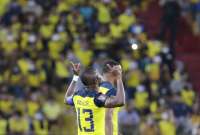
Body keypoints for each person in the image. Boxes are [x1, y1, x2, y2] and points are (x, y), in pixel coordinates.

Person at [64, 62, 125, 135]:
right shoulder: (97, 98)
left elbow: (66, 99)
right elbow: (120, 101)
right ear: (97, 80)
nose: (100, 75)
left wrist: (75, 77)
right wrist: (119, 77)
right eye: (98, 74)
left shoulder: (77, 96)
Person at [99, 60, 123, 135]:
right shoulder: (112, 91)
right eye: (119, 70)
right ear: (112, 71)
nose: (120, 73)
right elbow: (108, 117)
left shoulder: (94, 89)